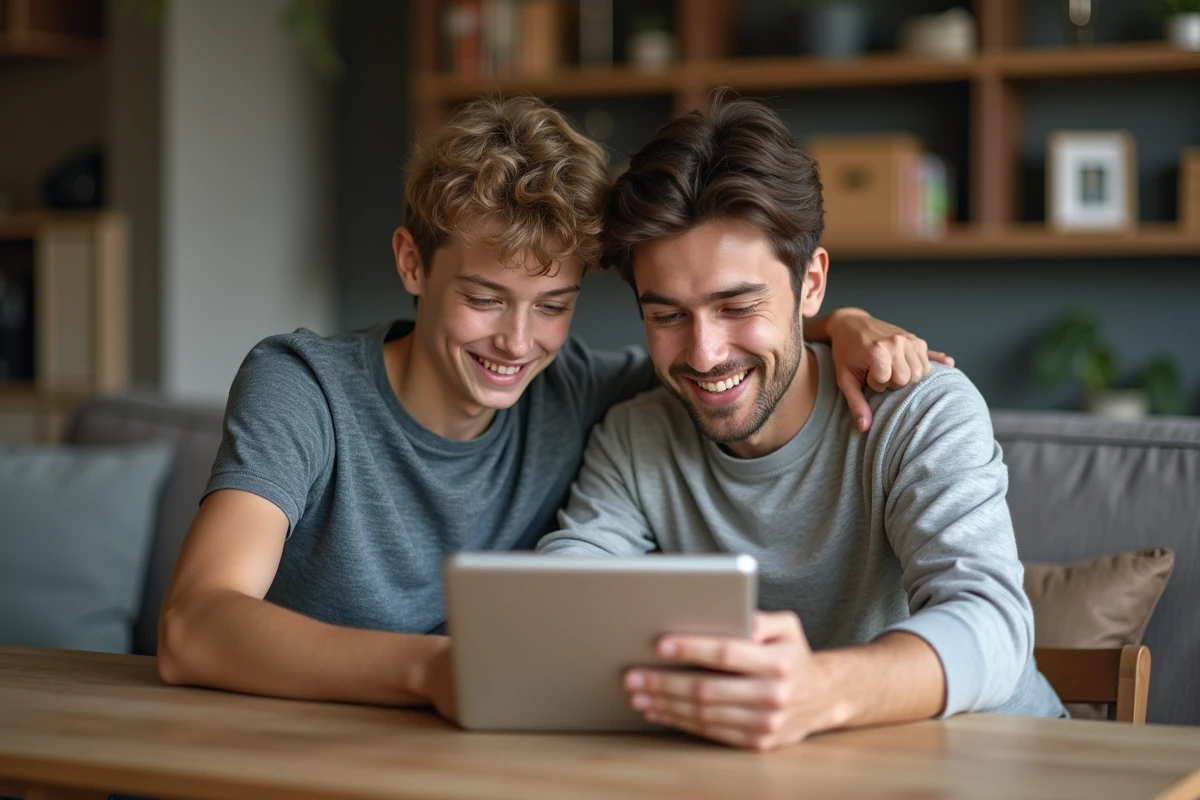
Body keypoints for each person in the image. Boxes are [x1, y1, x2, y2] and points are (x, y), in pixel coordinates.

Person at [156, 95, 949, 717]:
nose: (518, 342)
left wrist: (836, 327)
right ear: (411, 264)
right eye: (484, 298)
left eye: (553, 305)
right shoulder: (304, 387)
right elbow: (194, 626)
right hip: (283, 750)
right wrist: (435, 671)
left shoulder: (581, 391)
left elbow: (718, 359)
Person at [536, 93, 1066, 750]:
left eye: (737, 307)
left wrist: (823, 687)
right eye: (667, 316)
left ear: (811, 284)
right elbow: (562, 595)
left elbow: (991, 624)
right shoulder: (636, 438)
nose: (703, 356)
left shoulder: (923, 410)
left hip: (1003, 762)